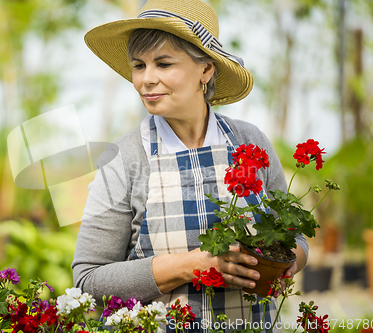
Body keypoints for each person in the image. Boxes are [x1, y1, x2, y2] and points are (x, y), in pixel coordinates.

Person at [72, 0, 308, 332]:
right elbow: (88, 279)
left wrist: (287, 262)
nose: (146, 81)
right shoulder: (123, 159)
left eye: (164, 64)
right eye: (138, 66)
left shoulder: (250, 141)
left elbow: (294, 237)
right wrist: (189, 266)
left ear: (206, 70)